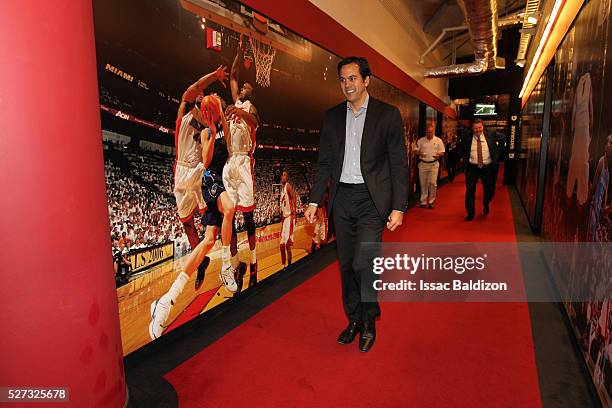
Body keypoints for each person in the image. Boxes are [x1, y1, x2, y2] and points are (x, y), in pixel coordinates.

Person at [305, 56, 408, 352]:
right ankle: (354, 320)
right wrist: (315, 200)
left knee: (365, 263)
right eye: (343, 79)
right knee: (347, 266)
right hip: (342, 200)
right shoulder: (332, 117)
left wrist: (398, 206)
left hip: (371, 200)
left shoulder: (387, 116)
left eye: (353, 78)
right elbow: (324, 162)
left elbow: (399, 163)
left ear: (366, 80)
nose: (347, 84)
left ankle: (369, 321)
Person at [149, 95, 238, 340]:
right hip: (208, 179)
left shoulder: (224, 126)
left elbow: (229, 148)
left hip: (220, 180)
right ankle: (226, 267)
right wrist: (210, 129)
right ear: (212, 111)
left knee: (208, 240)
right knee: (229, 209)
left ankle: (166, 300)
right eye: (217, 106)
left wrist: (229, 121)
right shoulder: (207, 133)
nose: (219, 105)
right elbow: (207, 161)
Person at [174, 66, 229, 289]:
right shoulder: (185, 110)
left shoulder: (210, 122)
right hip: (182, 170)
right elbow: (194, 87)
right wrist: (214, 77)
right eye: (201, 93)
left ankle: (230, 259)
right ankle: (202, 262)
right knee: (186, 222)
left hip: (199, 170)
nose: (201, 93)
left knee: (217, 211)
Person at [224, 35, 260, 287]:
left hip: (245, 162)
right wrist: (238, 50)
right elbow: (234, 75)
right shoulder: (236, 100)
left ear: (251, 93)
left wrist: (240, 112)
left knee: (247, 218)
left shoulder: (250, 108)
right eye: (242, 86)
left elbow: (256, 124)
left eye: (247, 87)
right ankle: (237, 265)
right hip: (230, 162)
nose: (243, 86)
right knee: (229, 214)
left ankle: (254, 260)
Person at [459, 118, 506, 221]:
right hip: (472, 168)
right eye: (475, 128)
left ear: (483, 126)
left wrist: (497, 154)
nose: (478, 130)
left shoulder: (492, 133)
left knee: (490, 190)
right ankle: (470, 213)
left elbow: (503, 139)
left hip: (487, 167)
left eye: (480, 127)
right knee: (470, 190)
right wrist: (464, 158)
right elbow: (461, 148)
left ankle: (486, 202)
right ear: (472, 128)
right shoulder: (466, 137)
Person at [415, 119, 445, 208]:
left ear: (434, 131)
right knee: (423, 183)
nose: (430, 134)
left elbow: (442, 151)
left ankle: (431, 201)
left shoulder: (438, 140)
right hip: (423, 164)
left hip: (434, 164)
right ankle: (423, 201)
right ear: (426, 132)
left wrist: (438, 155)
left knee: (432, 183)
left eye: (431, 132)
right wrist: (419, 153)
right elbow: (415, 150)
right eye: (428, 132)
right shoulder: (421, 141)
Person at [279, 170, 297, 266]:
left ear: (287, 177)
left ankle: (289, 266)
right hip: (285, 219)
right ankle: (283, 266)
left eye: (285, 175)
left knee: (287, 245)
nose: (283, 177)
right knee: (281, 245)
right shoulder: (281, 190)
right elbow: (283, 208)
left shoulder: (288, 186)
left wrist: (295, 213)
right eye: (282, 175)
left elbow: (294, 196)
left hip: (290, 217)